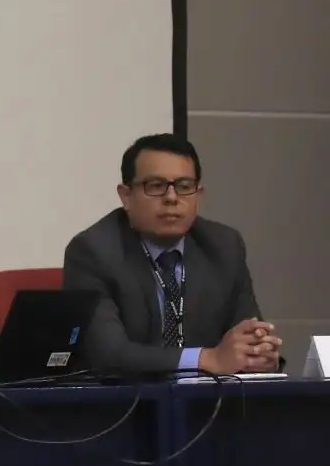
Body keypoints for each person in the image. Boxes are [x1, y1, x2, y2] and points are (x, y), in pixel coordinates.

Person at [63, 133, 279, 376]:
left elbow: (247, 332)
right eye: (155, 186)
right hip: (124, 405)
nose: (172, 198)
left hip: (209, 404)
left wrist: (257, 354)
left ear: (199, 195)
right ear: (126, 196)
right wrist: (206, 358)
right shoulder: (94, 252)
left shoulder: (223, 246)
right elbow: (109, 354)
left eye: (184, 187)